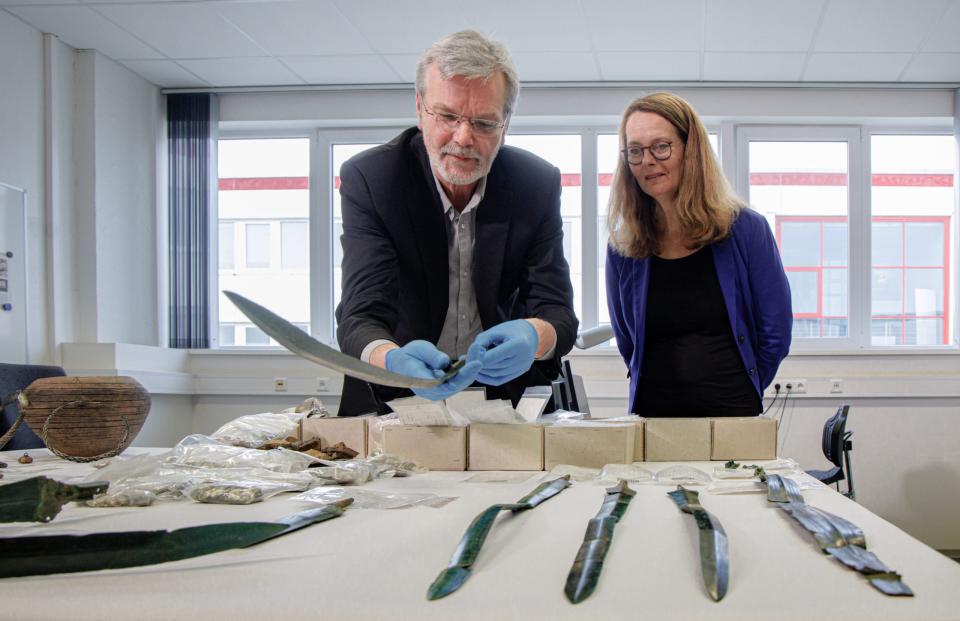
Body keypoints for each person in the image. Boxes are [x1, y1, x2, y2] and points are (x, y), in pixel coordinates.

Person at [335, 30, 578, 416]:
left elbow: (558, 313)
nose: (463, 138)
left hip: (503, 403)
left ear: (506, 122)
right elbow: (360, 316)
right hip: (394, 400)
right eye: (447, 115)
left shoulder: (535, 184)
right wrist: (393, 359)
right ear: (420, 108)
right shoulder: (374, 180)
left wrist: (535, 336)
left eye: (484, 123)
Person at [605, 92, 792, 417]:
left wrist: (746, 387)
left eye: (661, 147)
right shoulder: (624, 243)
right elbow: (627, 339)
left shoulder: (746, 229)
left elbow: (775, 330)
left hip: (733, 413)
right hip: (653, 418)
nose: (647, 160)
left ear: (691, 150)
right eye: (635, 151)